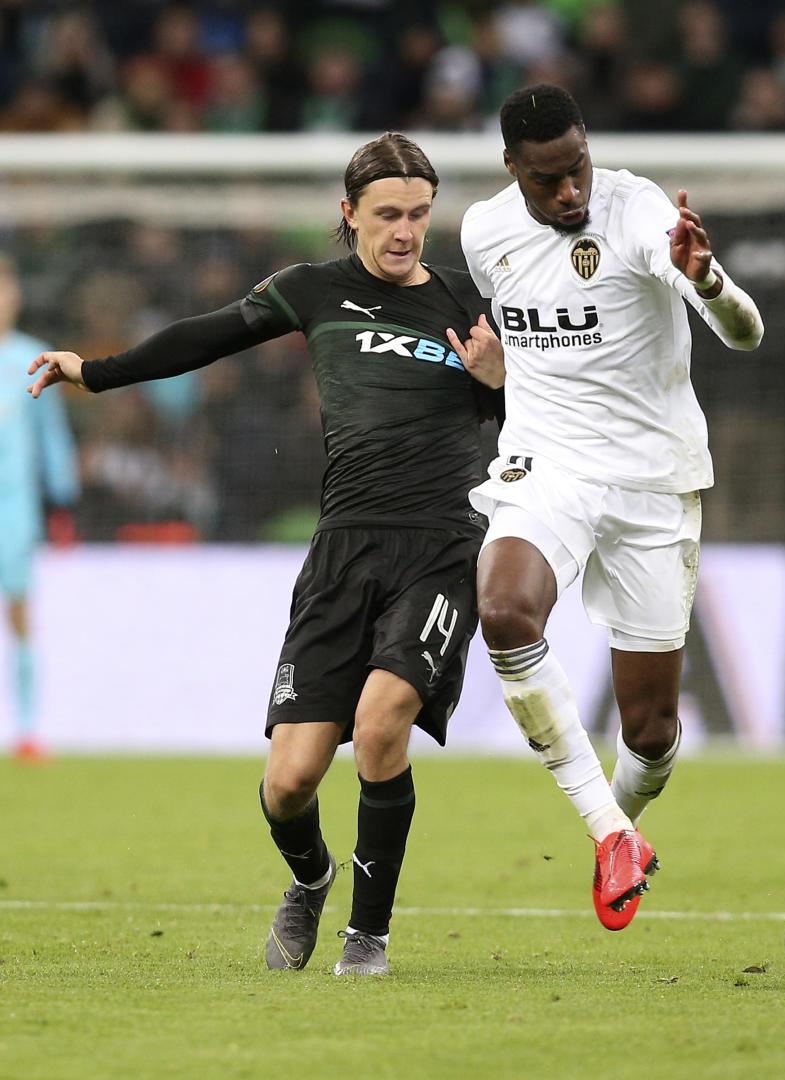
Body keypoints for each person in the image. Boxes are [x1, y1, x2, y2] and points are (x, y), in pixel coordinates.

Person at [26, 132, 505, 977]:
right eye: (387, 214)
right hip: (342, 550)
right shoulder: (312, 291)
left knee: (382, 724)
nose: (405, 232)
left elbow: (525, 422)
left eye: (420, 215)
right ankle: (312, 879)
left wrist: (500, 384)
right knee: (289, 781)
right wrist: (90, 372)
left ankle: (369, 937)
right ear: (348, 213)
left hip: (440, 545)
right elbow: (203, 337)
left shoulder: (468, 306)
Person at [460, 83, 763, 931]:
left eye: (579, 167)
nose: (571, 193)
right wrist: (500, 377)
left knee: (654, 733)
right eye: (549, 178)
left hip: (651, 481)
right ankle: (608, 833)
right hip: (547, 464)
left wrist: (708, 284)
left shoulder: (639, 215)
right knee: (503, 610)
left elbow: (747, 334)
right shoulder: (484, 233)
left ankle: (623, 827)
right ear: (512, 167)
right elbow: (533, 349)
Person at [0, 254, 79, 762]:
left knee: (20, 613)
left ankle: (28, 728)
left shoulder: (30, 356)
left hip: (14, 508)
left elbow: (51, 437)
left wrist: (64, 499)